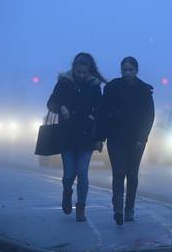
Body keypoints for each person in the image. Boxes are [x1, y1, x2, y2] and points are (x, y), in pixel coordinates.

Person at [47, 52, 106, 222]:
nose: (81, 75)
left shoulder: (94, 86)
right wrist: (61, 108)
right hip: (67, 135)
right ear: (74, 69)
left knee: (82, 172)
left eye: (84, 73)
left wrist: (94, 120)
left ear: (89, 71)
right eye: (78, 72)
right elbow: (51, 103)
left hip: (87, 136)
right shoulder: (64, 83)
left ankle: (81, 208)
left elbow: (100, 108)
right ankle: (67, 192)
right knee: (68, 174)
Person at [98, 56, 155, 225]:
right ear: (121, 70)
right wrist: (100, 137)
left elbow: (149, 116)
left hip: (136, 139)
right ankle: (118, 208)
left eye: (131, 69)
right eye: (125, 69)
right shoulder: (112, 88)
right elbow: (103, 112)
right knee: (118, 172)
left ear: (136, 70)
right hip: (115, 137)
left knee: (132, 173)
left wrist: (142, 137)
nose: (128, 72)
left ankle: (129, 208)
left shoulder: (144, 90)